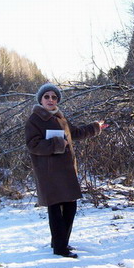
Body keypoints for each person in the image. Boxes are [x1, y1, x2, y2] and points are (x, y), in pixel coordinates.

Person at [25, 83, 108, 258]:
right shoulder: (35, 119)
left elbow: (76, 133)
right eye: (46, 96)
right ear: (40, 99)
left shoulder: (60, 117)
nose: (50, 99)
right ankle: (60, 248)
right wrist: (57, 144)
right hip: (49, 172)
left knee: (70, 206)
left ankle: (60, 242)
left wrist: (95, 127)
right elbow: (33, 145)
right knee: (56, 209)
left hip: (67, 171)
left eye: (54, 97)